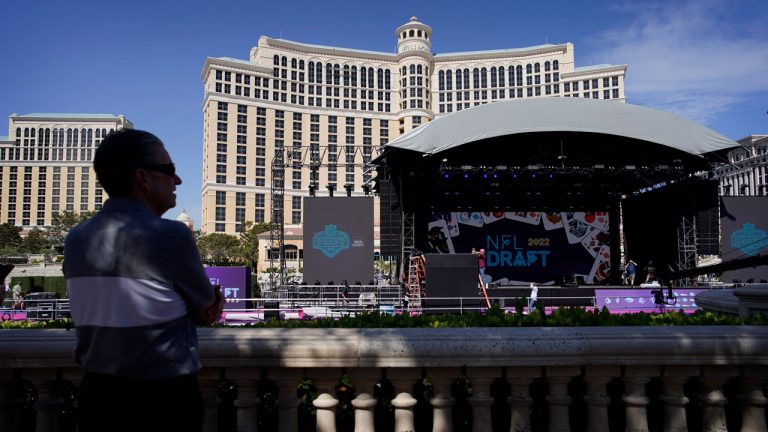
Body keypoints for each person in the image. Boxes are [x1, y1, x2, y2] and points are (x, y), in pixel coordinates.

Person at [63, 129, 224, 432]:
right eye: (170, 171)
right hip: (162, 401)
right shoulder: (171, 234)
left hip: (96, 398)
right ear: (143, 178)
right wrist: (210, 305)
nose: (177, 181)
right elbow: (206, 311)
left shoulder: (76, 237)